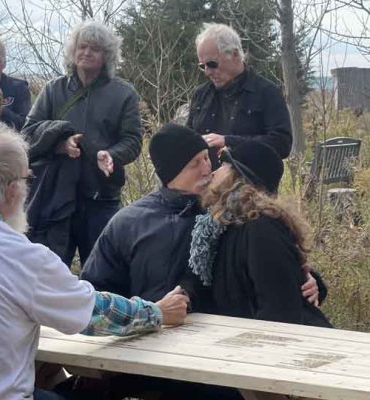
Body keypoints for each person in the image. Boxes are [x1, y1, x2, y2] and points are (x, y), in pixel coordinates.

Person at [0, 123, 188, 400]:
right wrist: (156, 312)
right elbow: (94, 313)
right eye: (27, 179)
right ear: (13, 189)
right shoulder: (19, 256)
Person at [82, 123, 323, 304]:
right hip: (148, 338)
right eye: (195, 163)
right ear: (172, 173)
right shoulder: (130, 221)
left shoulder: (232, 211)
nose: (207, 168)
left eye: (207, 158)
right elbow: (95, 291)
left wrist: (308, 280)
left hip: (218, 341)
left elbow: (272, 260)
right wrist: (142, 314)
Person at [22, 21, 142, 268]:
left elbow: (133, 140)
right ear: (73, 51)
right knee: (50, 271)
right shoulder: (53, 90)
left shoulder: (124, 93)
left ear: (106, 56)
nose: (87, 52)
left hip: (101, 198)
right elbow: (28, 134)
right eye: (82, 46)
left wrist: (111, 155)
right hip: (56, 197)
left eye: (95, 49)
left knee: (102, 273)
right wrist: (59, 143)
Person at [183, 141, 332, 328]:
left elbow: (279, 312)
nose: (214, 172)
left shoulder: (260, 229)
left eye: (224, 166)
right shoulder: (216, 226)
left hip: (279, 346)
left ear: (239, 177)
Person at [187, 23, 292, 169]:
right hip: (205, 187)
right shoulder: (201, 94)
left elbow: (282, 144)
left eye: (212, 64)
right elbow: (189, 140)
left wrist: (229, 141)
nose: (207, 71)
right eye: (202, 66)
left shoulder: (267, 92)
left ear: (235, 54)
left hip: (251, 187)